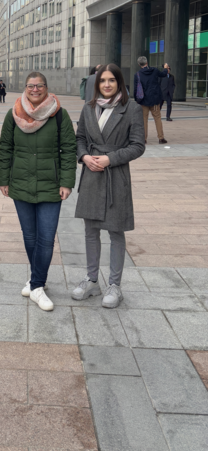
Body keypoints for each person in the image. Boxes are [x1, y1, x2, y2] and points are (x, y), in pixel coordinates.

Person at [0, 72, 76, 311]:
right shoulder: (13, 114)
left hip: (50, 185)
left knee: (46, 238)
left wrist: (67, 182)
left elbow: (69, 149)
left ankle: (37, 285)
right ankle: (36, 280)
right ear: (25, 88)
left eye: (39, 85)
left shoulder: (59, 115)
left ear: (46, 88)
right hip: (21, 183)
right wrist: (3, 179)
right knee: (30, 237)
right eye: (30, 86)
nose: (34, 89)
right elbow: (5, 148)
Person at [72, 64, 145, 308]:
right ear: (97, 83)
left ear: (119, 83)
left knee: (116, 231)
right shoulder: (89, 107)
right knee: (91, 231)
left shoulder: (131, 108)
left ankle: (115, 285)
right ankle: (92, 280)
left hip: (116, 176)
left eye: (111, 80)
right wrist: (84, 157)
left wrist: (110, 159)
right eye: (102, 80)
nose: (106, 85)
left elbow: (138, 145)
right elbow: (80, 138)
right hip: (92, 174)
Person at [133, 56, 168, 144]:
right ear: (147, 62)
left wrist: (137, 100)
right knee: (157, 118)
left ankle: (144, 139)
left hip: (143, 100)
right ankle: (161, 138)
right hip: (155, 100)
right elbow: (163, 74)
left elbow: (135, 89)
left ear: (139, 64)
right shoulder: (154, 71)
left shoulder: (137, 74)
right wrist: (165, 68)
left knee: (144, 119)